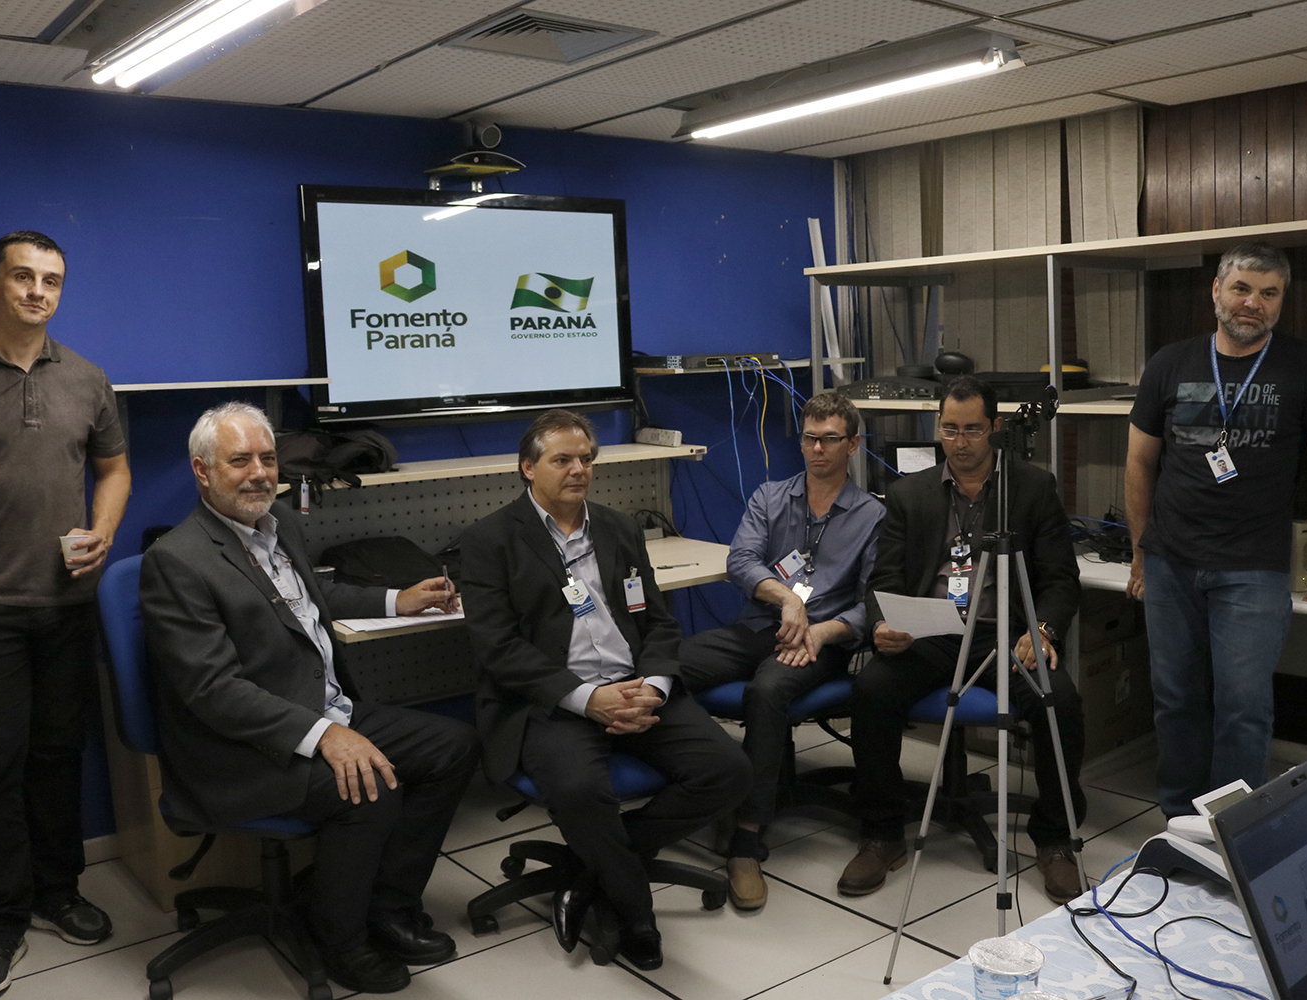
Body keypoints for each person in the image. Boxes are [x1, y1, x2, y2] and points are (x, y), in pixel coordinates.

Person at [140, 402, 478, 995]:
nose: (259, 473)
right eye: (239, 460)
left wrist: (394, 599)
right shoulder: (177, 561)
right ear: (202, 472)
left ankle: (385, 908)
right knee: (372, 787)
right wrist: (326, 735)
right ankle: (338, 939)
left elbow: (307, 592)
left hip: (322, 710)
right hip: (240, 751)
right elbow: (212, 691)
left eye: (267, 458)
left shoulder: (279, 525)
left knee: (451, 746)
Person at [461, 409, 750, 971]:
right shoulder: (489, 540)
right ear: (528, 468)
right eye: (562, 459)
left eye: (586, 459)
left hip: (636, 686)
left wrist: (657, 688)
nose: (578, 470)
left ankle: (607, 856)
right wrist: (586, 699)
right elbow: (498, 650)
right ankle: (633, 911)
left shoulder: (617, 528)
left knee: (730, 771)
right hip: (552, 703)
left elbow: (660, 623)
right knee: (578, 791)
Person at [1125, 241, 1307, 817]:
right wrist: (1140, 553)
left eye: (1269, 293)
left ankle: (1236, 829)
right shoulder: (1170, 363)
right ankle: (1178, 823)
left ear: (1281, 301)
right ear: (1216, 291)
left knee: (1243, 705)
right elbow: (1139, 464)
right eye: (1243, 288)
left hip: (1252, 567)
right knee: (1175, 702)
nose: (1254, 302)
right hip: (1170, 561)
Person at [0, 231, 131, 999]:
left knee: (59, 757)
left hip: (65, 606)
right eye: (22, 276)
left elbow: (116, 468)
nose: (37, 291)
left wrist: (106, 530)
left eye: (51, 280)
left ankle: (59, 891)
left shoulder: (87, 378)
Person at [838, 375, 1087, 904]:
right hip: (933, 632)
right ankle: (882, 833)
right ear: (938, 428)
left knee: (1057, 700)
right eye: (950, 429)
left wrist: (1043, 630)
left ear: (994, 428)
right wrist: (884, 623)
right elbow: (883, 581)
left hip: (1006, 634)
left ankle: (1055, 838)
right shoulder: (909, 494)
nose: (961, 441)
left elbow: (1061, 579)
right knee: (872, 690)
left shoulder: (1031, 487)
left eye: (973, 429)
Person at [679, 390, 883, 910]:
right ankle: (712, 785)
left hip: (824, 640)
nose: (817, 449)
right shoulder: (770, 497)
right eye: (810, 438)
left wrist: (819, 630)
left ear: (853, 444)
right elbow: (740, 560)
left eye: (830, 439)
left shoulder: (872, 516)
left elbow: (872, 604)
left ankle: (746, 837)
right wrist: (786, 597)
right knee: (671, 664)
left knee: (767, 691)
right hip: (761, 624)